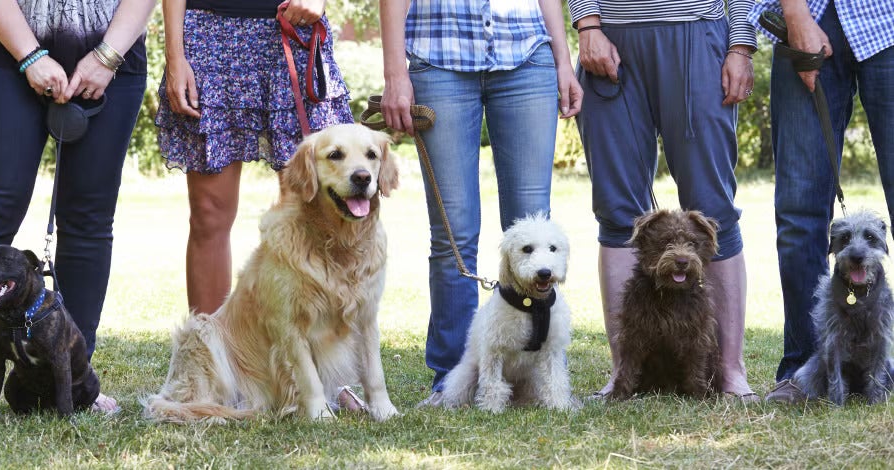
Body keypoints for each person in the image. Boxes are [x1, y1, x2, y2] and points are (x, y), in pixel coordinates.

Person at [154, 0, 363, 410]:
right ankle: (215, 368)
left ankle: (328, 375)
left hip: (289, 29)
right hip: (208, 33)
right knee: (210, 214)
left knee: (311, 213)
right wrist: (175, 55)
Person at [0, 0, 155, 418]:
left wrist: (106, 56)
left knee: (88, 218)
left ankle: (78, 382)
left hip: (113, 53)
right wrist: (29, 55)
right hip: (6, 43)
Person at [380, 0, 583, 407]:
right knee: (453, 235)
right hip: (438, 55)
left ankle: (542, 379)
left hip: (527, 54)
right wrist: (395, 72)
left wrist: (564, 60)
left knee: (533, 231)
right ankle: (451, 379)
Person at [568, 0, 759, 400]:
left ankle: (729, 371)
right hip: (609, 35)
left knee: (713, 208)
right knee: (617, 211)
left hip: (694, 32)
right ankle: (624, 373)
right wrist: (587, 25)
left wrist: (740, 47)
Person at [746, 0, 894, 403]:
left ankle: (882, 368)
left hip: (886, 18)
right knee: (799, 213)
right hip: (808, 13)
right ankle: (806, 370)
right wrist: (795, 15)